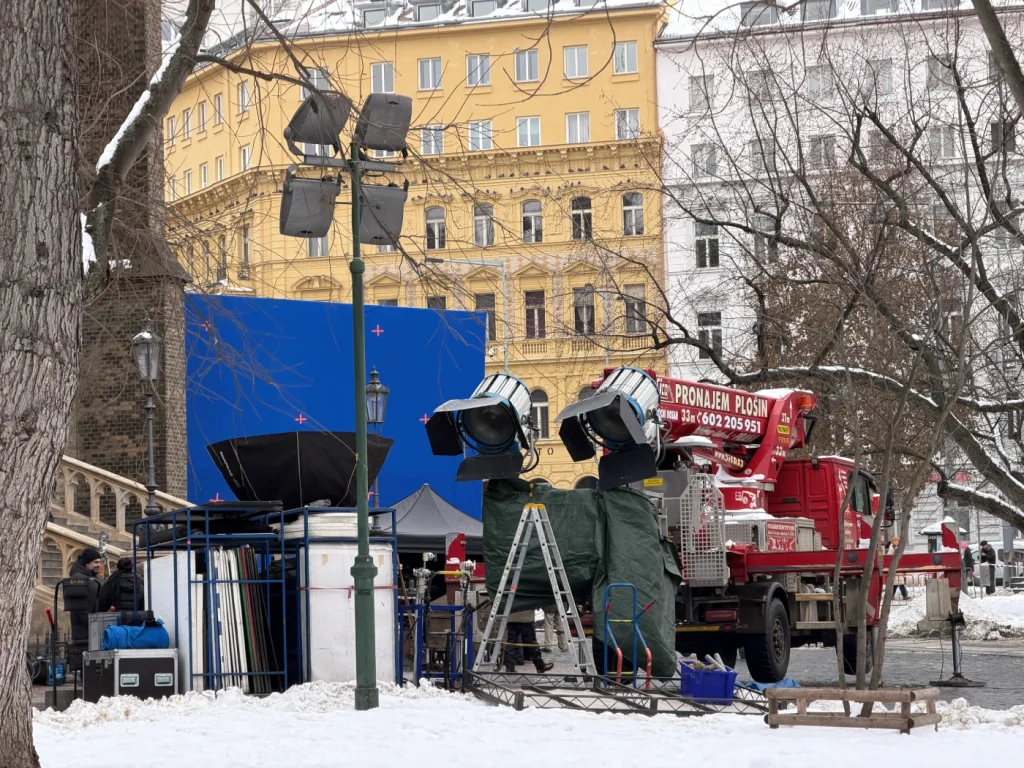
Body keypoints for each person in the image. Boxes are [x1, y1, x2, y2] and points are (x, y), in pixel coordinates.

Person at [67, 547, 103, 662]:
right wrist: (94, 624)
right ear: (87, 562)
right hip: (85, 633)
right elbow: (80, 609)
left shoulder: (96, 577)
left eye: (100, 562)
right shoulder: (77, 579)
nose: (99, 565)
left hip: (95, 629)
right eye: (95, 562)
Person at [504, 607, 553, 674]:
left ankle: (509, 667)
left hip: (512, 616)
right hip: (525, 617)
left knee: (511, 643)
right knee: (531, 643)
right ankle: (540, 666)